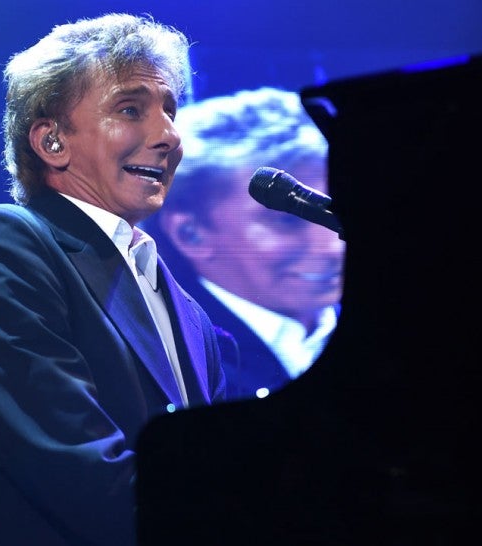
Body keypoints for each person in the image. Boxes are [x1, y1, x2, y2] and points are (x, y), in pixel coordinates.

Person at [0, 13, 226, 546]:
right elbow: (74, 465)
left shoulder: (188, 313)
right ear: (52, 142)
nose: (169, 135)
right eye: (131, 109)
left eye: (171, 111)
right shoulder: (2, 246)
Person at [144, 87, 345, 401]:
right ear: (191, 234)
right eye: (288, 220)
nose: (335, 247)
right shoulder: (174, 365)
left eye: (330, 209)